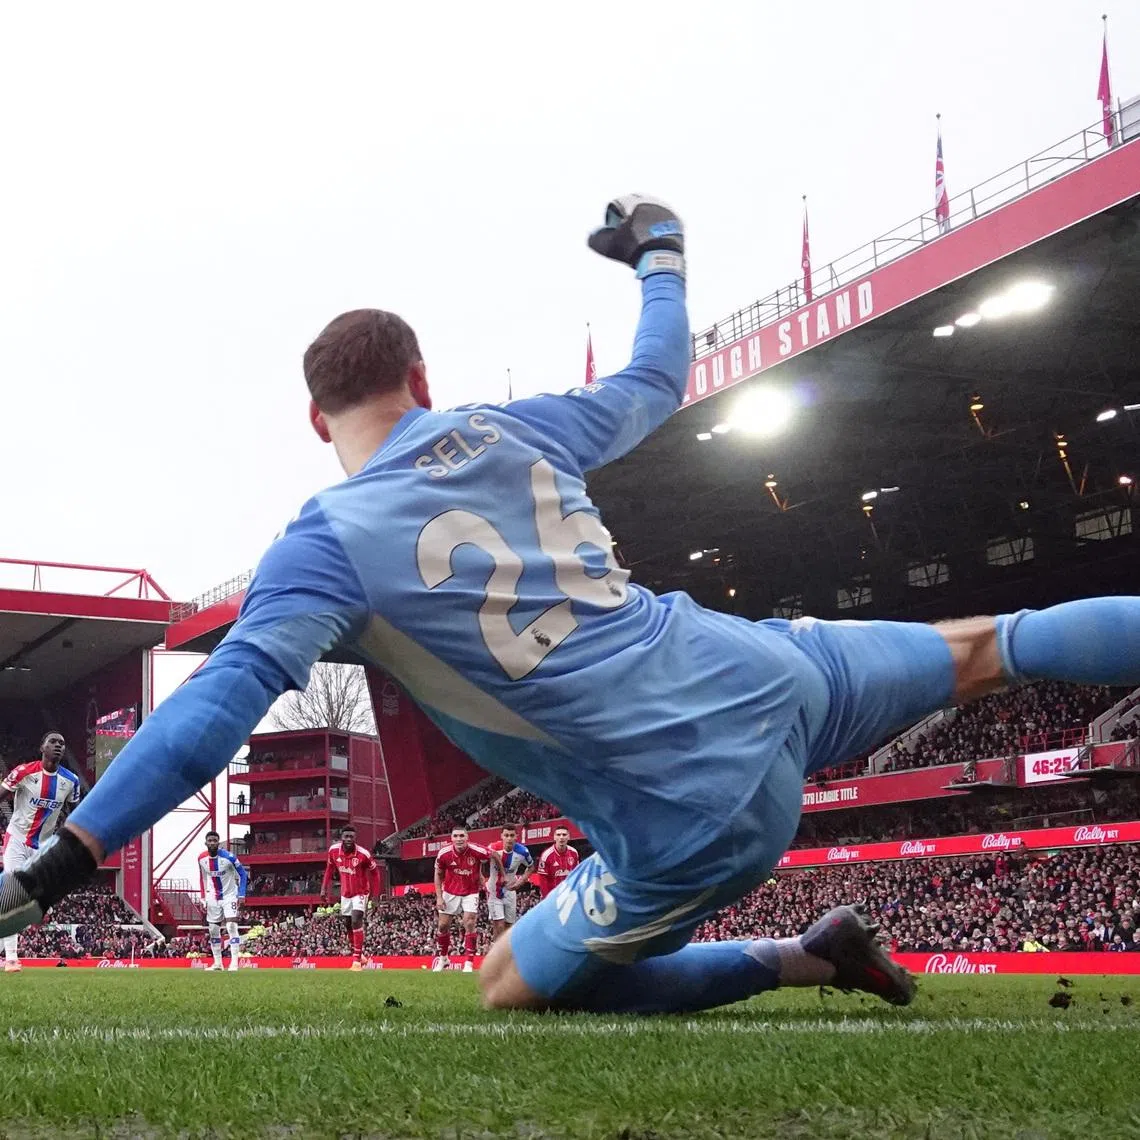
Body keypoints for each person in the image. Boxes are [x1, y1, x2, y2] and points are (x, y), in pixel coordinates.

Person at [7, 196, 1140, 1014]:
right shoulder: (516, 427)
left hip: (694, 810)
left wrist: (59, 866)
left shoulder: (326, 544)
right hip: (765, 664)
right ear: (424, 383)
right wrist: (660, 257)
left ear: (317, 424)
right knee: (1003, 645)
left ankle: (804, 956)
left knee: (512, 984)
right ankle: (823, 943)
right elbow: (656, 379)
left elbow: (215, 710)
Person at [0, 732, 81, 972]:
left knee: (36, 903)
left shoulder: (71, 781)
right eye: (53, 742)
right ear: (42, 747)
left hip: (44, 849)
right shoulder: (25, 772)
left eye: (62, 743)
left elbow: (75, 813)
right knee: (12, 895)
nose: (58, 746)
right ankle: (12, 959)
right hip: (16, 841)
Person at [433, 827, 501, 972]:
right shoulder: (444, 854)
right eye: (456, 836)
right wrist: (439, 897)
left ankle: (469, 963)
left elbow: (494, 855)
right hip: (450, 891)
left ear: (467, 837)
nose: (459, 839)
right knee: (443, 926)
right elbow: (438, 874)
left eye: (461, 836)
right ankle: (443, 958)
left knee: (469, 922)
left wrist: (501, 875)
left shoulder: (476, 850)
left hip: (471, 891)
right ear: (451, 838)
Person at [319, 824, 380, 970]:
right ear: (341, 837)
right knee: (348, 925)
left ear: (355, 838)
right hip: (345, 894)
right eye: (346, 836)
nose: (348, 839)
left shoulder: (363, 854)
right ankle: (361, 956)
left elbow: (376, 873)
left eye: (351, 837)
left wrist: (375, 896)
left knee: (356, 920)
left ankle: (356, 961)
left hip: (361, 892)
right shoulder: (333, 851)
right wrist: (323, 889)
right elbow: (329, 869)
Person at [196, 829, 247, 972]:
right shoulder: (201, 858)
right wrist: (203, 897)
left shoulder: (230, 857)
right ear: (206, 843)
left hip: (230, 895)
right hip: (213, 896)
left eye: (215, 841)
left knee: (231, 926)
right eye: (210, 841)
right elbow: (202, 878)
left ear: (218, 843)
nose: (212, 843)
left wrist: (241, 895)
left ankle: (234, 962)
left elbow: (243, 874)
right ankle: (218, 963)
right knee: (213, 929)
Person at [485, 825, 533, 941]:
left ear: (516, 836)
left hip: (511, 891)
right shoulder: (492, 848)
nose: (509, 838)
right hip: (493, 892)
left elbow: (531, 867)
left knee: (508, 927)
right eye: (506, 835)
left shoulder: (523, 851)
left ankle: (504, 953)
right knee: (499, 925)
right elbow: (479, 860)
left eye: (512, 835)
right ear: (502, 836)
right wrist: (481, 878)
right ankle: (497, 956)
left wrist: (521, 881)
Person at [533, 827, 578, 900]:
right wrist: (547, 898)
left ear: (568, 837)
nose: (561, 837)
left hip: (569, 895)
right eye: (558, 835)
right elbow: (542, 879)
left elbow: (576, 874)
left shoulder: (574, 853)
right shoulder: (546, 855)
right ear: (554, 837)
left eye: (564, 835)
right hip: (553, 897)